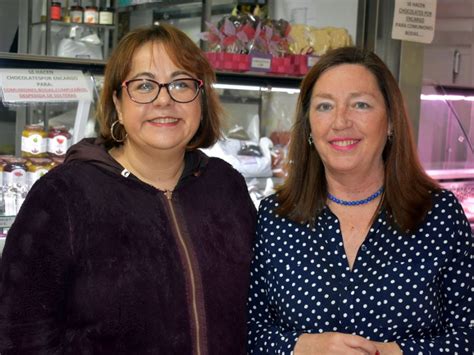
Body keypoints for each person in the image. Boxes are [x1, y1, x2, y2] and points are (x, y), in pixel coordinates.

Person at [0, 24, 256, 354]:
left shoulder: (225, 186)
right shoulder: (63, 196)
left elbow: (257, 310)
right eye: (144, 85)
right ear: (118, 103)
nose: (164, 100)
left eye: (181, 84)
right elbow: (19, 337)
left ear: (201, 99)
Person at [247, 47, 473, 355]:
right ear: (310, 127)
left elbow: (468, 334)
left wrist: (393, 353)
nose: (340, 122)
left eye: (360, 105)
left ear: (391, 122)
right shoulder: (275, 218)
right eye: (325, 106)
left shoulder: (439, 215)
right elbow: (249, 331)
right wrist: (302, 346)